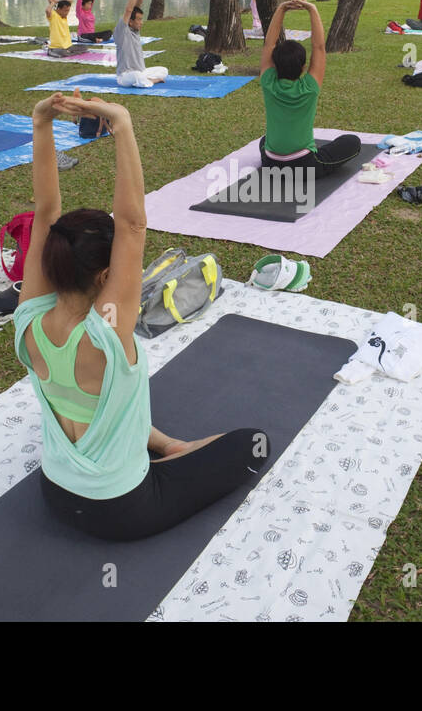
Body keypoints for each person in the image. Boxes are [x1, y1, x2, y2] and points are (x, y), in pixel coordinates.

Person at [16, 89, 265, 540]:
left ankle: (168, 445)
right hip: (121, 509)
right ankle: (174, 453)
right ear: (105, 276)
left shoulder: (28, 319)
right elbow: (132, 226)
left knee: (109, 402)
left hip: (55, 491)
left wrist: (41, 122)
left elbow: (46, 213)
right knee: (253, 443)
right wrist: (122, 124)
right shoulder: (107, 330)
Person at [258, 0, 360, 178]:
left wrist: (282, 8)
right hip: (304, 167)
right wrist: (312, 9)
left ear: (275, 65)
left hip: (271, 164)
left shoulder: (268, 82)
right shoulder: (309, 88)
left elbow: (269, 44)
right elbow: (319, 47)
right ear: (303, 67)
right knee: (352, 142)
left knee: (264, 141)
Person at [114, 0, 169, 88]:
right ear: (130, 22)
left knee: (164, 70)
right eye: (139, 20)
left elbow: (137, 7)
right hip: (125, 76)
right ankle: (151, 81)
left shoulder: (135, 31)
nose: (141, 22)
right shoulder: (122, 31)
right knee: (137, 75)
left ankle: (146, 80)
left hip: (141, 72)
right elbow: (129, 10)